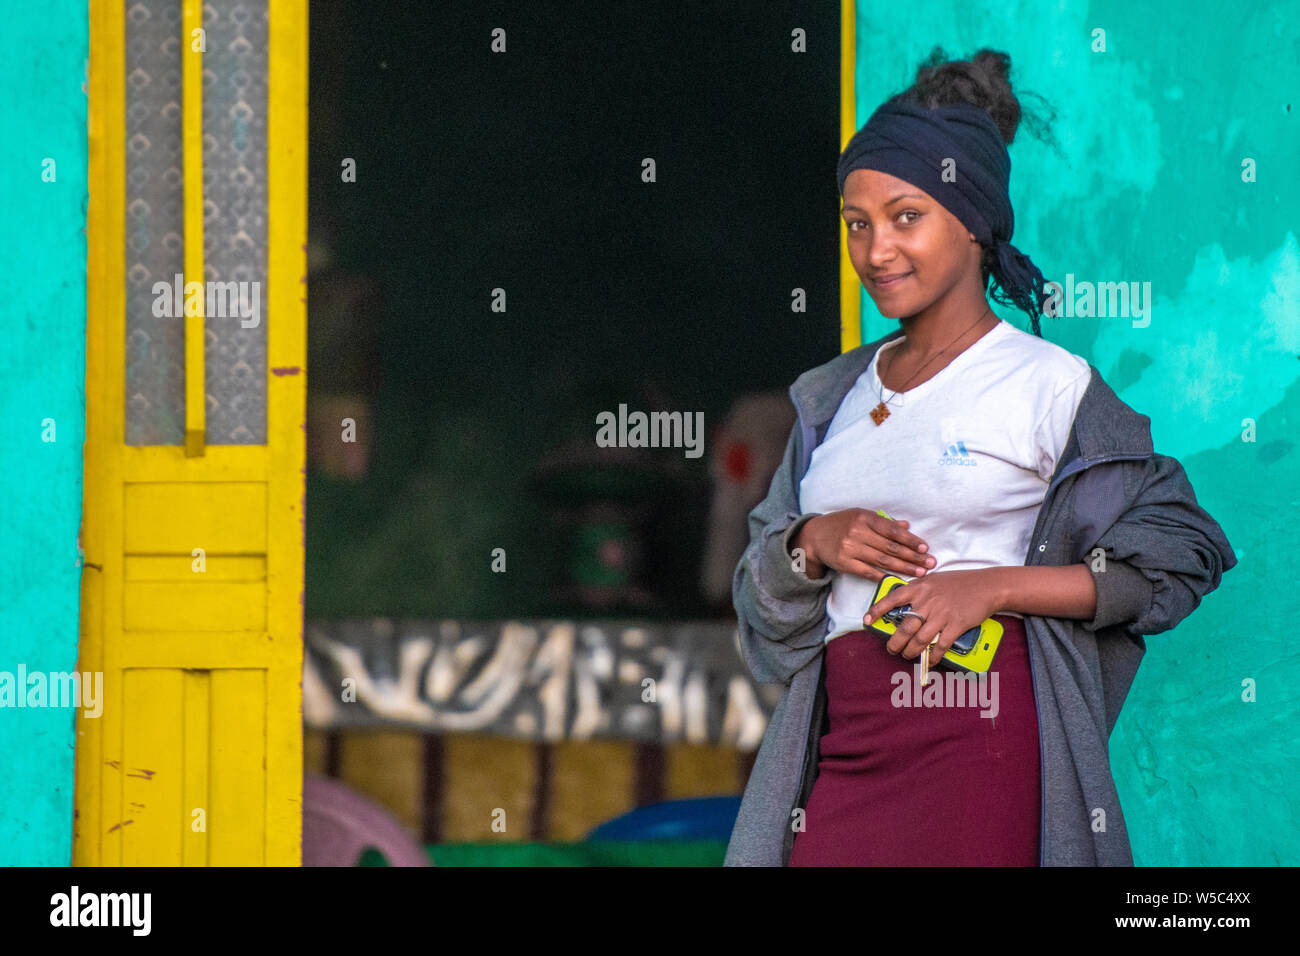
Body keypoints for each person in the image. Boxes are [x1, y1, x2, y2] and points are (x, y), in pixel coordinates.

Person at [725, 48, 1236, 866]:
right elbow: (763, 617)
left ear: (972, 220)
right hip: (844, 743)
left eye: (905, 216)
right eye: (857, 223)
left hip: (981, 743)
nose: (875, 250)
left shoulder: (1048, 386)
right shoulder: (828, 398)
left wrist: (993, 587)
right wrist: (810, 544)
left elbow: (1178, 561)